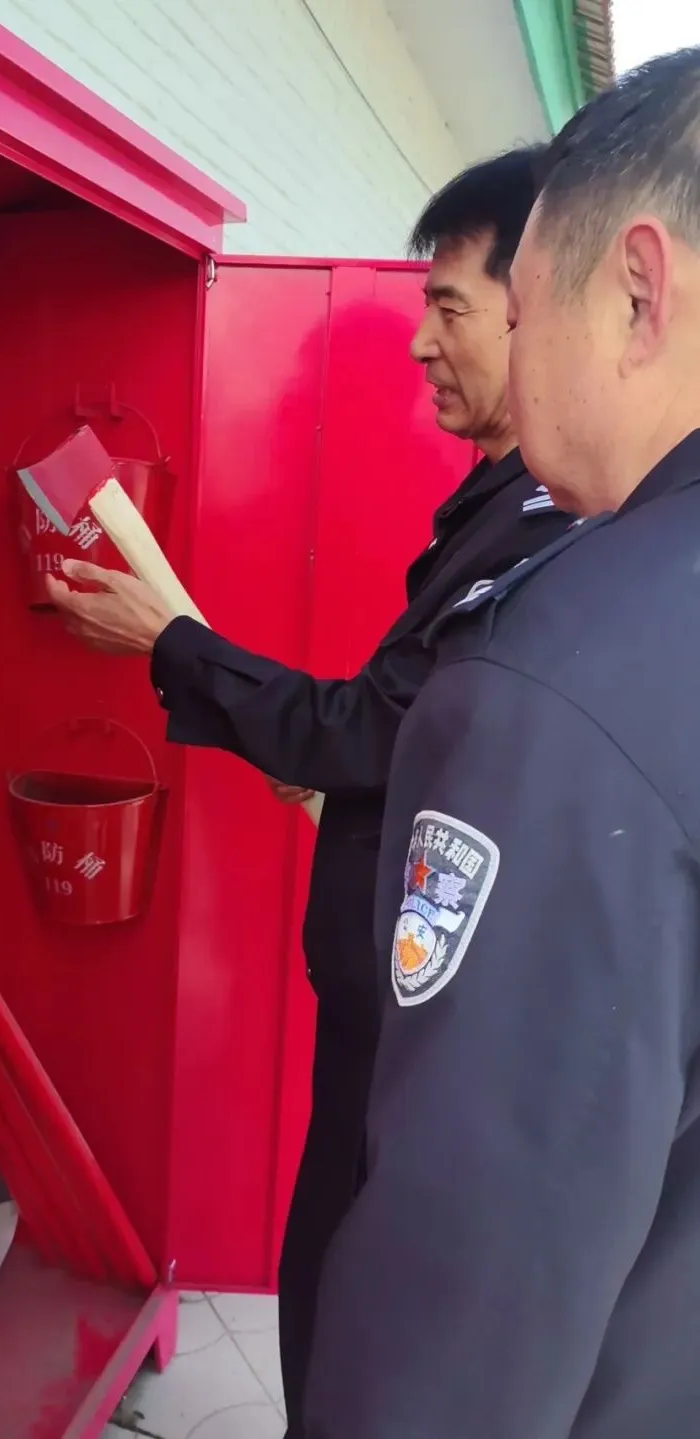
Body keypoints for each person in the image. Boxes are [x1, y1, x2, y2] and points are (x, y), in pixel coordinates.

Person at [47, 147, 572, 1435]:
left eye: (447, 308)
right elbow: (399, 747)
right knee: (328, 1280)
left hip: (422, 1039)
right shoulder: (494, 507)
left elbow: (369, 726)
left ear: (539, 305)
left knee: (349, 1309)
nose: (420, 343)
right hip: (382, 1015)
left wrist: (169, 642)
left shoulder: (549, 530)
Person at [298, 47, 700, 1437]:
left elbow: (469, 1302)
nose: (498, 362)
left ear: (638, 293)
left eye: (516, 314)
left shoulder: (566, 685)